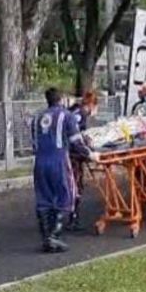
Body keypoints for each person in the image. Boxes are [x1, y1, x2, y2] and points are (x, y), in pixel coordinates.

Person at [32, 88, 98, 253]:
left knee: (43, 198)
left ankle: (46, 237)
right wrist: (91, 154)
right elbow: (76, 141)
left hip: (40, 162)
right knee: (66, 194)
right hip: (58, 160)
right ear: (61, 100)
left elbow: (34, 144)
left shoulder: (36, 118)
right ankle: (55, 236)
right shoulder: (66, 116)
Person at [64, 92, 99, 231]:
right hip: (72, 155)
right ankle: (73, 218)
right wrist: (88, 151)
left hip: (65, 152)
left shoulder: (73, 109)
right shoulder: (81, 114)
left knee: (70, 184)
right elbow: (76, 136)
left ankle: (70, 216)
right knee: (76, 185)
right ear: (91, 105)